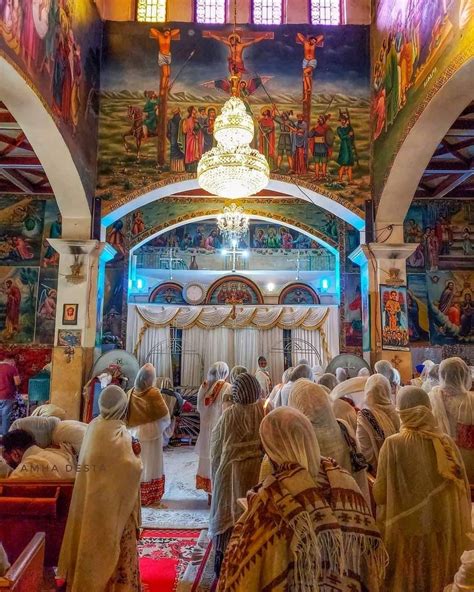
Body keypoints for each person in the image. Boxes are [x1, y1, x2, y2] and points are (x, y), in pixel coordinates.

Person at [218, 407, 387, 592]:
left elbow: (243, 571)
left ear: (273, 449)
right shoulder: (346, 484)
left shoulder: (272, 501)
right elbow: (367, 557)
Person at [373, 386, 471, 592]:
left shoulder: (393, 444)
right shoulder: (445, 443)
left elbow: (380, 494)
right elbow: (461, 490)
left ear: (401, 412)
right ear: (428, 408)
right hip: (442, 528)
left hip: (407, 534)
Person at [57, 385, 142, 592]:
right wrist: (137, 456)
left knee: (91, 544)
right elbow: (132, 468)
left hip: (91, 503)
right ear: (123, 407)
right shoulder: (119, 434)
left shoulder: (93, 426)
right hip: (114, 508)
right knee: (115, 546)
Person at [210, 373, 265, 577]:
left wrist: (216, 473)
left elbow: (216, 448)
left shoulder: (229, 415)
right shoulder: (262, 411)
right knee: (250, 512)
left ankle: (224, 558)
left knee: (228, 511)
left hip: (230, 472)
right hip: (256, 471)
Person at [289, 379, 370, 503]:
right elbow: (359, 471)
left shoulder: (297, 439)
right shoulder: (343, 426)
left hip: (317, 507)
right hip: (351, 501)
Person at [126, 363, 170, 505]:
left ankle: (138, 494)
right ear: (149, 379)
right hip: (152, 433)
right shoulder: (153, 393)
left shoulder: (131, 392)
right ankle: (151, 495)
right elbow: (165, 416)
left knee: (138, 462)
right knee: (152, 462)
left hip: (135, 432)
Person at [429, 357, 474, 483]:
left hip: (441, 457)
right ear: (465, 375)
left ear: (442, 374)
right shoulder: (472, 400)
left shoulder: (431, 398)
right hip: (468, 457)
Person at [195, 362, 231, 494]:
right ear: (225, 373)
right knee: (217, 457)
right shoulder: (227, 387)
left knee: (207, 456)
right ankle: (216, 488)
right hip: (219, 427)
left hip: (206, 427)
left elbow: (199, 408)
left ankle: (208, 488)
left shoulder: (205, 386)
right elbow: (228, 411)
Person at [356, 374, 400, 473]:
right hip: (399, 468)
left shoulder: (365, 416)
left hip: (377, 471)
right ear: (387, 391)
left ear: (368, 391)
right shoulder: (396, 411)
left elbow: (364, 451)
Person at [2, 429, 76, 480]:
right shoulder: (57, 454)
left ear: (15, 454)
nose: (7, 463)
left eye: (6, 458)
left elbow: (7, 493)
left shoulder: (30, 465)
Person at [0, 358, 20, 435]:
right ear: (11, 361)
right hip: (7, 395)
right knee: (5, 416)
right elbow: (17, 382)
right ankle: (4, 436)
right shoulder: (12, 368)